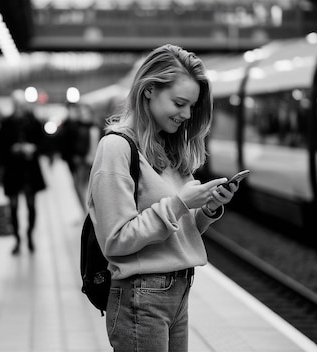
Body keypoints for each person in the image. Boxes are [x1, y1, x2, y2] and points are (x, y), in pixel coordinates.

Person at [86, 44, 239, 351]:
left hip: (178, 290)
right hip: (141, 296)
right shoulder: (117, 148)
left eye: (192, 107)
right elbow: (115, 240)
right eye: (180, 103)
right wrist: (179, 203)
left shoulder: (168, 146)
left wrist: (206, 209)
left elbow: (178, 227)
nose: (186, 114)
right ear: (149, 90)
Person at [0, 90, 46, 255]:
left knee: (31, 206)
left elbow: (44, 141)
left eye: (21, 104)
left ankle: (30, 235)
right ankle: (17, 238)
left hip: (30, 171)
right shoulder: (6, 123)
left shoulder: (33, 122)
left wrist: (34, 148)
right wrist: (12, 149)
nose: (19, 107)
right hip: (13, 171)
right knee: (13, 207)